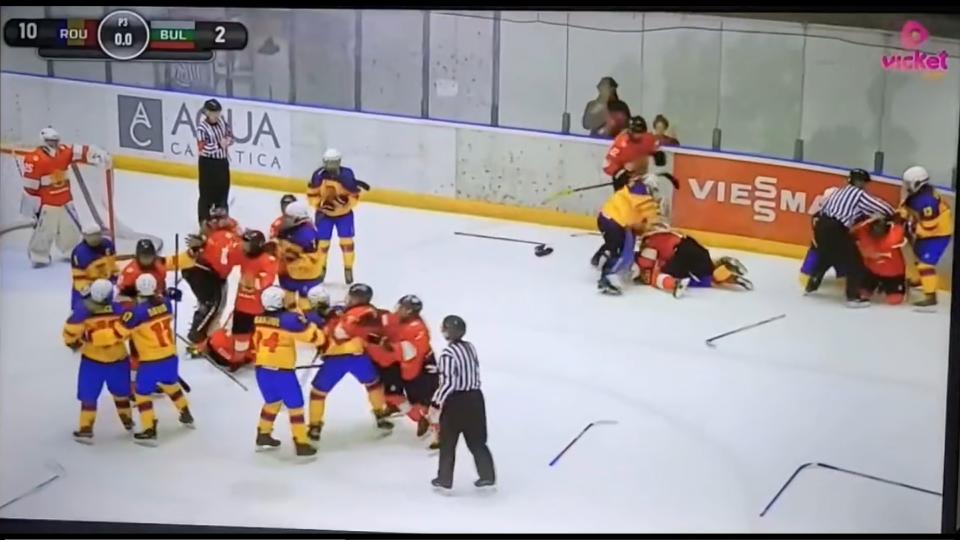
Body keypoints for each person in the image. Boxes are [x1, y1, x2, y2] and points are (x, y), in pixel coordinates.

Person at [306, 283, 394, 442]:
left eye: (352, 296)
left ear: (359, 298)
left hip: (337, 358)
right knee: (373, 384)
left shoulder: (356, 314)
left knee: (318, 392)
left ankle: (314, 426)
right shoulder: (369, 311)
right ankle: (381, 414)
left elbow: (340, 333)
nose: (349, 299)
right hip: (358, 357)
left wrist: (329, 320)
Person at [113, 274, 192, 446]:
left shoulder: (135, 313)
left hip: (150, 360)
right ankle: (185, 411)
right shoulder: (166, 303)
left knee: (141, 395)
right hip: (170, 356)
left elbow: (120, 332)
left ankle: (149, 428)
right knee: (171, 385)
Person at [252, 286, 327, 457]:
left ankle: (263, 433)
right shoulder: (289, 320)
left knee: (272, 402)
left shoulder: (258, 319)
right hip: (282, 372)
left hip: (262, 369)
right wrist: (316, 327)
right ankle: (301, 442)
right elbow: (312, 337)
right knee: (296, 407)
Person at [19, 127, 109, 267]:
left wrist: (96, 154)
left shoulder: (64, 151)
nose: (53, 144)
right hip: (48, 203)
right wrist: (32, 208)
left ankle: (70, 250)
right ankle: (38, 254)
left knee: (70, 228)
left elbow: (79, 151)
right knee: (45, 230)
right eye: (50, 141)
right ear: (43, 141)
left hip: (66, 200)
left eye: (55, 141)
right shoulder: (33, 159)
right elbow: (30, 187)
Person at [805, 169, 895, 307]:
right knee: (855, 262)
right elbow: (882, 207)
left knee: (828, 254)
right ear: (861, 182)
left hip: (821, 226)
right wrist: (894, 214)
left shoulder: (838, 192)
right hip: (835, 228)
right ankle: (853, 298)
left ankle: (813, 283)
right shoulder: (858, 194)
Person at [62, 279, 134, 443]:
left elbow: (69, 335)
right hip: (118, 359)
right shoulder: (121, 309)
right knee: (121, 394)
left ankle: (86, 428)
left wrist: (81, 342)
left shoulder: (82, 310)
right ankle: (128, 422)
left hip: (92, 361)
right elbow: (129, 331)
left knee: (88, 396)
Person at [430, 315, 496, 492]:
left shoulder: (447, 353)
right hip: (475, 399)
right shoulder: (470, 347)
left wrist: (436, 402)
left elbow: (449, 383)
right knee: (477, 441)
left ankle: (444, 479)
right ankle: (487, 475)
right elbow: (465, 369)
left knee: (448, 442)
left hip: (456, 402)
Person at [207, 229, 279, 371]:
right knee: (237, 333)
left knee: (245, 336)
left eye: (247, 244)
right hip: (241, 305)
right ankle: (234, 354)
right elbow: (230, 255)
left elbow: (266, 280)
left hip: (256, 308)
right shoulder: (244, 255)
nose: (244, 246)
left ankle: (240, 360)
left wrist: (252, 281)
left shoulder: (268, 260)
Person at [181, 207, 242, 353]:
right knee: (212, 304)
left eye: (220, 218)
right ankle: (198, 336)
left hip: (209, 273)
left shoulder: (232, 229)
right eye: (214, 218)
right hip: (202, 271)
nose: (216, 221)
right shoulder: (211, 231)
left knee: (216, 304)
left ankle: (208, 333)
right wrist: (201, 244)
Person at [633, 225, 752, 296]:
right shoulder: (665, 234)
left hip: (680, 255)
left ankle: (675, 284)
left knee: (702, 280)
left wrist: (642, 270)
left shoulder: (649, 243)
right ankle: (727, 271)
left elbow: (647, 263)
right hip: (692, 245)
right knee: (708, 272)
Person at [592, 178, 661, 295]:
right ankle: (607, 278)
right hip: (614, 221)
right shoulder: (641, 191)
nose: (653, 195)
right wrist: (657, 217)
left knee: (620, 248)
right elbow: (650, 216)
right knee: (620, 251)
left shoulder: (635, 191)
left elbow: (638, 222)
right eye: (653, 191)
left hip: (612, 220)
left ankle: (600, 258)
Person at [898, 166, 954, 307]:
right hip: (928, 234)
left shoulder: (926, 200)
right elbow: (908, 207)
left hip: (938, 235)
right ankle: (921, 280)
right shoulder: (920, 193)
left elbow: (929, 225)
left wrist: (911, 227)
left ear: (917, 183)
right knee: (918, 258)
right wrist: (902, 214)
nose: (906, 186)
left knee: (925, 265)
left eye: (908, 183)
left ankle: (930, 297)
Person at [306, 149, 361, 285]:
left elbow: (354, 196)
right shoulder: (318, 175)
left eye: (334, 162)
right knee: (322, 244)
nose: (331, 166)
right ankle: (320, 269)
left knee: (347, 243)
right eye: (329, 162)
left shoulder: (347, 175)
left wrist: (344, 204)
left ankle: (348, 268)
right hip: (324, 216)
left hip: (344, 215)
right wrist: (320, 205)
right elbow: (312, 194)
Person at [276, 200, 324, 311]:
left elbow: (308, 259)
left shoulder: (307, 234)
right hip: (292, 272)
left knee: (305, 305)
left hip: (305, 275)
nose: (285, 219)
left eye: (288, 217)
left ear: (298, 218)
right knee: (288, 301)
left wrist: (286, 251)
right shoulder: (290, 228)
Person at [850, 216, 907, 305]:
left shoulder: (893, 238)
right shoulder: (864, 235)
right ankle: (872, 286)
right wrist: (871, 219)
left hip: (893, 274)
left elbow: (899, 227)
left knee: (895, 300)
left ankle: (890, 288)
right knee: (861, 294)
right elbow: (856, 229)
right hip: (872, 271)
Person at [196, 98, 234, 225]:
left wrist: (228, 140)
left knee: (223, 192)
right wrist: (219, 144)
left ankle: (222, 220)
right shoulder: (202, 128)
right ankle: (204, 222)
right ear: (206, 113)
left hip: (222, 163)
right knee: (206, 195)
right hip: (208, 164)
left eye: (218, 112)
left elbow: (230, 135)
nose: (216, 115)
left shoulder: (222, 122)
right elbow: (202, 147)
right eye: (213, 113)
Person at [602, 116, 663, 192]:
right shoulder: (621, 142)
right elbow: (607, 164)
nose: (638, 135)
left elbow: (658, 155)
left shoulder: (648, 139)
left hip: (641, 177)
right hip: (624, 178)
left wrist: (658, 154)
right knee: (626, 201)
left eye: (641, 133)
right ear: (629, 131)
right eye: (635, 132)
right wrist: (621, 173)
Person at [69, 224, 118, 311]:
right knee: (82, 312)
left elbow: (113, 266)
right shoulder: (79, 253)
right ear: (84, 236)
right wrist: (92, 295)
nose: (95, 238)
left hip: (107, 285)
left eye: (97, 234)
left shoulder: (108, 244)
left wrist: (116, 282)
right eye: (91, 236)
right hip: (87, 290)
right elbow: (80, 281)